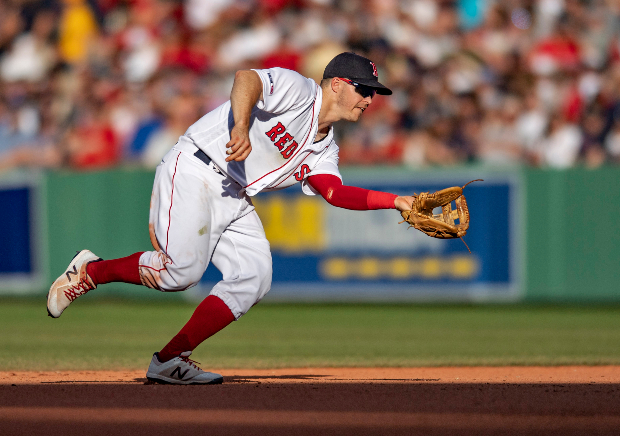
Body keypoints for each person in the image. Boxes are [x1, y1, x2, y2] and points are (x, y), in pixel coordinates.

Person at [46, 52, 414, 385]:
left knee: (255, 275)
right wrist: (240, 125)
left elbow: (334, 192)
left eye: (373, 92)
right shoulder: (300, 90)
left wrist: (395, 201)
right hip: (197, 166)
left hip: (234, 193)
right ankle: (91, 272)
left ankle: (170, 359)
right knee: (180, 274)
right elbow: (246, 78)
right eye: (364, 89)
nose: (370, 99)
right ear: (337, 84)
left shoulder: (325, 147)